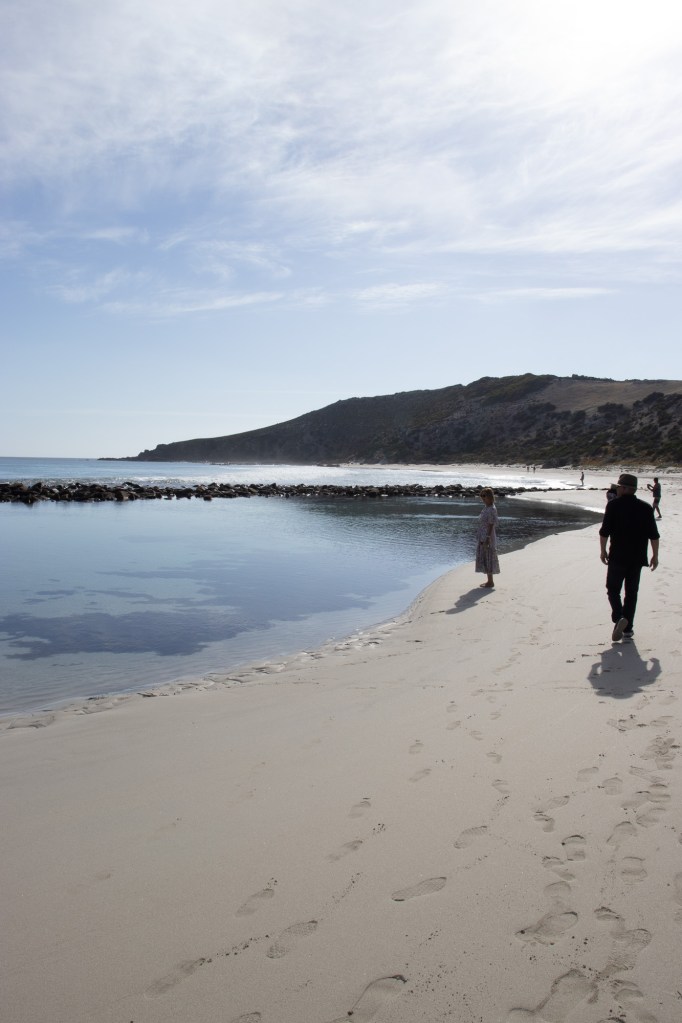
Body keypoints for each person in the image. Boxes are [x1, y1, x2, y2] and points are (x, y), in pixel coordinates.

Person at [599, 473, 659, 641]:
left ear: (625, 488)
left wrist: (603, 551)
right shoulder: (646, 508)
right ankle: (628, 629)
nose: (617, 489)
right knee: (631, 593)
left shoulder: (613, 506)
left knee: (613, 589)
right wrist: (655, 556)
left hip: (618, 556)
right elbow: (654, 535)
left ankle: (619, 618)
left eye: (619, 487)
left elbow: (604, 532)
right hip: (637, 558)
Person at [476, 487, 500, 588]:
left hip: (487, 535)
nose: (482, 498)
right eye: (481, 496)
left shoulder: (491, 509)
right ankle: (489, 581)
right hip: (483, 535)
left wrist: (488, 537)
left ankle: (490, 582)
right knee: (485, 556)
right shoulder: (487, 507)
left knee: (488, 556)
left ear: (490, 496)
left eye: (484, 496)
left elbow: (491, 524)